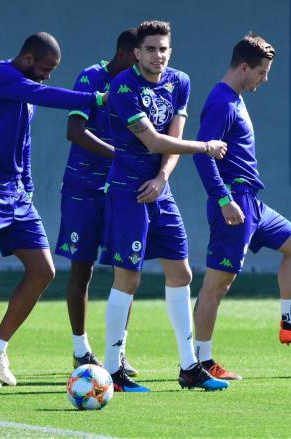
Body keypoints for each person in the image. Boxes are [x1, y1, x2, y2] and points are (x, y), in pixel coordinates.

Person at [0, 32, 108, 388]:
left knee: (43, 270)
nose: (47, 75)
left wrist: (27, 184)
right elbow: (44, 94)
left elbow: (23, 140)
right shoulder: (5, 75)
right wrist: (96, 98)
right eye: (45, 68)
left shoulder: (26, 88)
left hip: (16, 193)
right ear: (28, 59)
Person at [101, 20, 229, 393]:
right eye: (151, 49)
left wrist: (161, 180)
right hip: (128, 192)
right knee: (129, 278)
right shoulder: (123, 87)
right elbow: (155, 142)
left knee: (182, 273)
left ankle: (189, 367)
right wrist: (205, 146)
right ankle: (112, 371)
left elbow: (171, 141)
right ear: (137, 53)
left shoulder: (180, 82)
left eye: (164, 49)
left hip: (159, 190)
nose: (159, 55)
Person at [192, 34, 291, 380]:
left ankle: (290, 322)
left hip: (253, 202)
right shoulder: (221, 102)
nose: (264, 80)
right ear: (243, 67)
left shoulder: (235, 97)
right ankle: (201, 363)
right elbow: (203, 156)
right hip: (233, 202)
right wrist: (223, 200)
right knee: (217, 285)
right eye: (262, 73)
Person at [55, 29, 140, 376]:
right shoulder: (92, 77)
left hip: (119, 189)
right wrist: (118, 155)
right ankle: (80, 349)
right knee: (82, 269)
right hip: (83, 189)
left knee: (126, 270)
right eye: (139, 57)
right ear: (123, 53)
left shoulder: (138, 86)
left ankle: (117, 354)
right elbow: (74, 130)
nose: (144, 65)